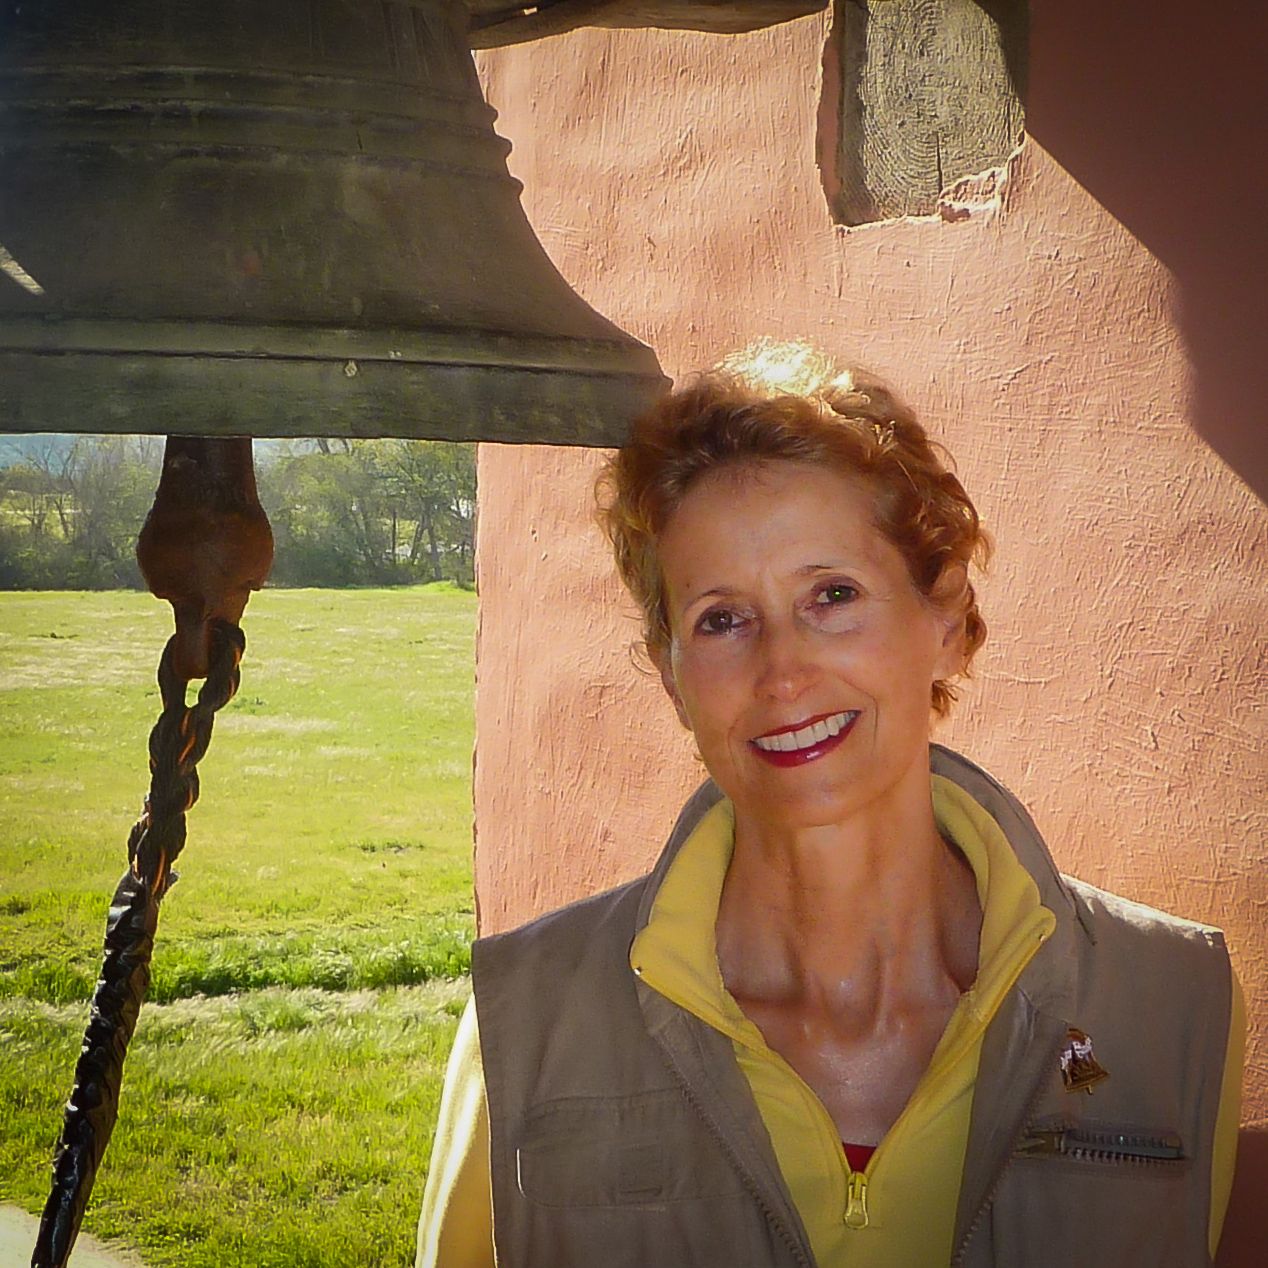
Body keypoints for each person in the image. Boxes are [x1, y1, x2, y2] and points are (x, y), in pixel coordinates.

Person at [417, 344, 1243, 1267]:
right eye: (721, 619)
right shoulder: (530, 1024)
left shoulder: (1169, 1001)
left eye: (833, 596)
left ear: (946, 620)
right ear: (671, 673)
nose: (782, 673)